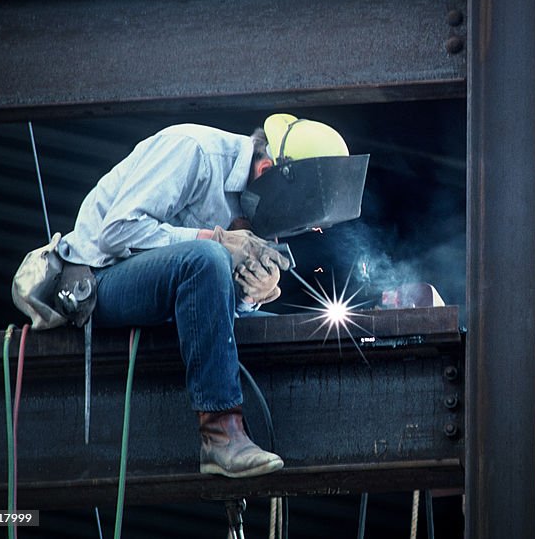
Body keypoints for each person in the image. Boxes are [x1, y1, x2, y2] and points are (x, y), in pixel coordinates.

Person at [55, 114, 354, 479]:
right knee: (207, 258)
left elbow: (211, 307)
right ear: (265, 169)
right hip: (100, 281)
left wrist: (249, 296)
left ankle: (299, 444)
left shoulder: (253, 208)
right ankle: (221, 436)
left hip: (174, 306)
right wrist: (215, 241)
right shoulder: (195, 151)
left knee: (284, 332)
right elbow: (116, 233)